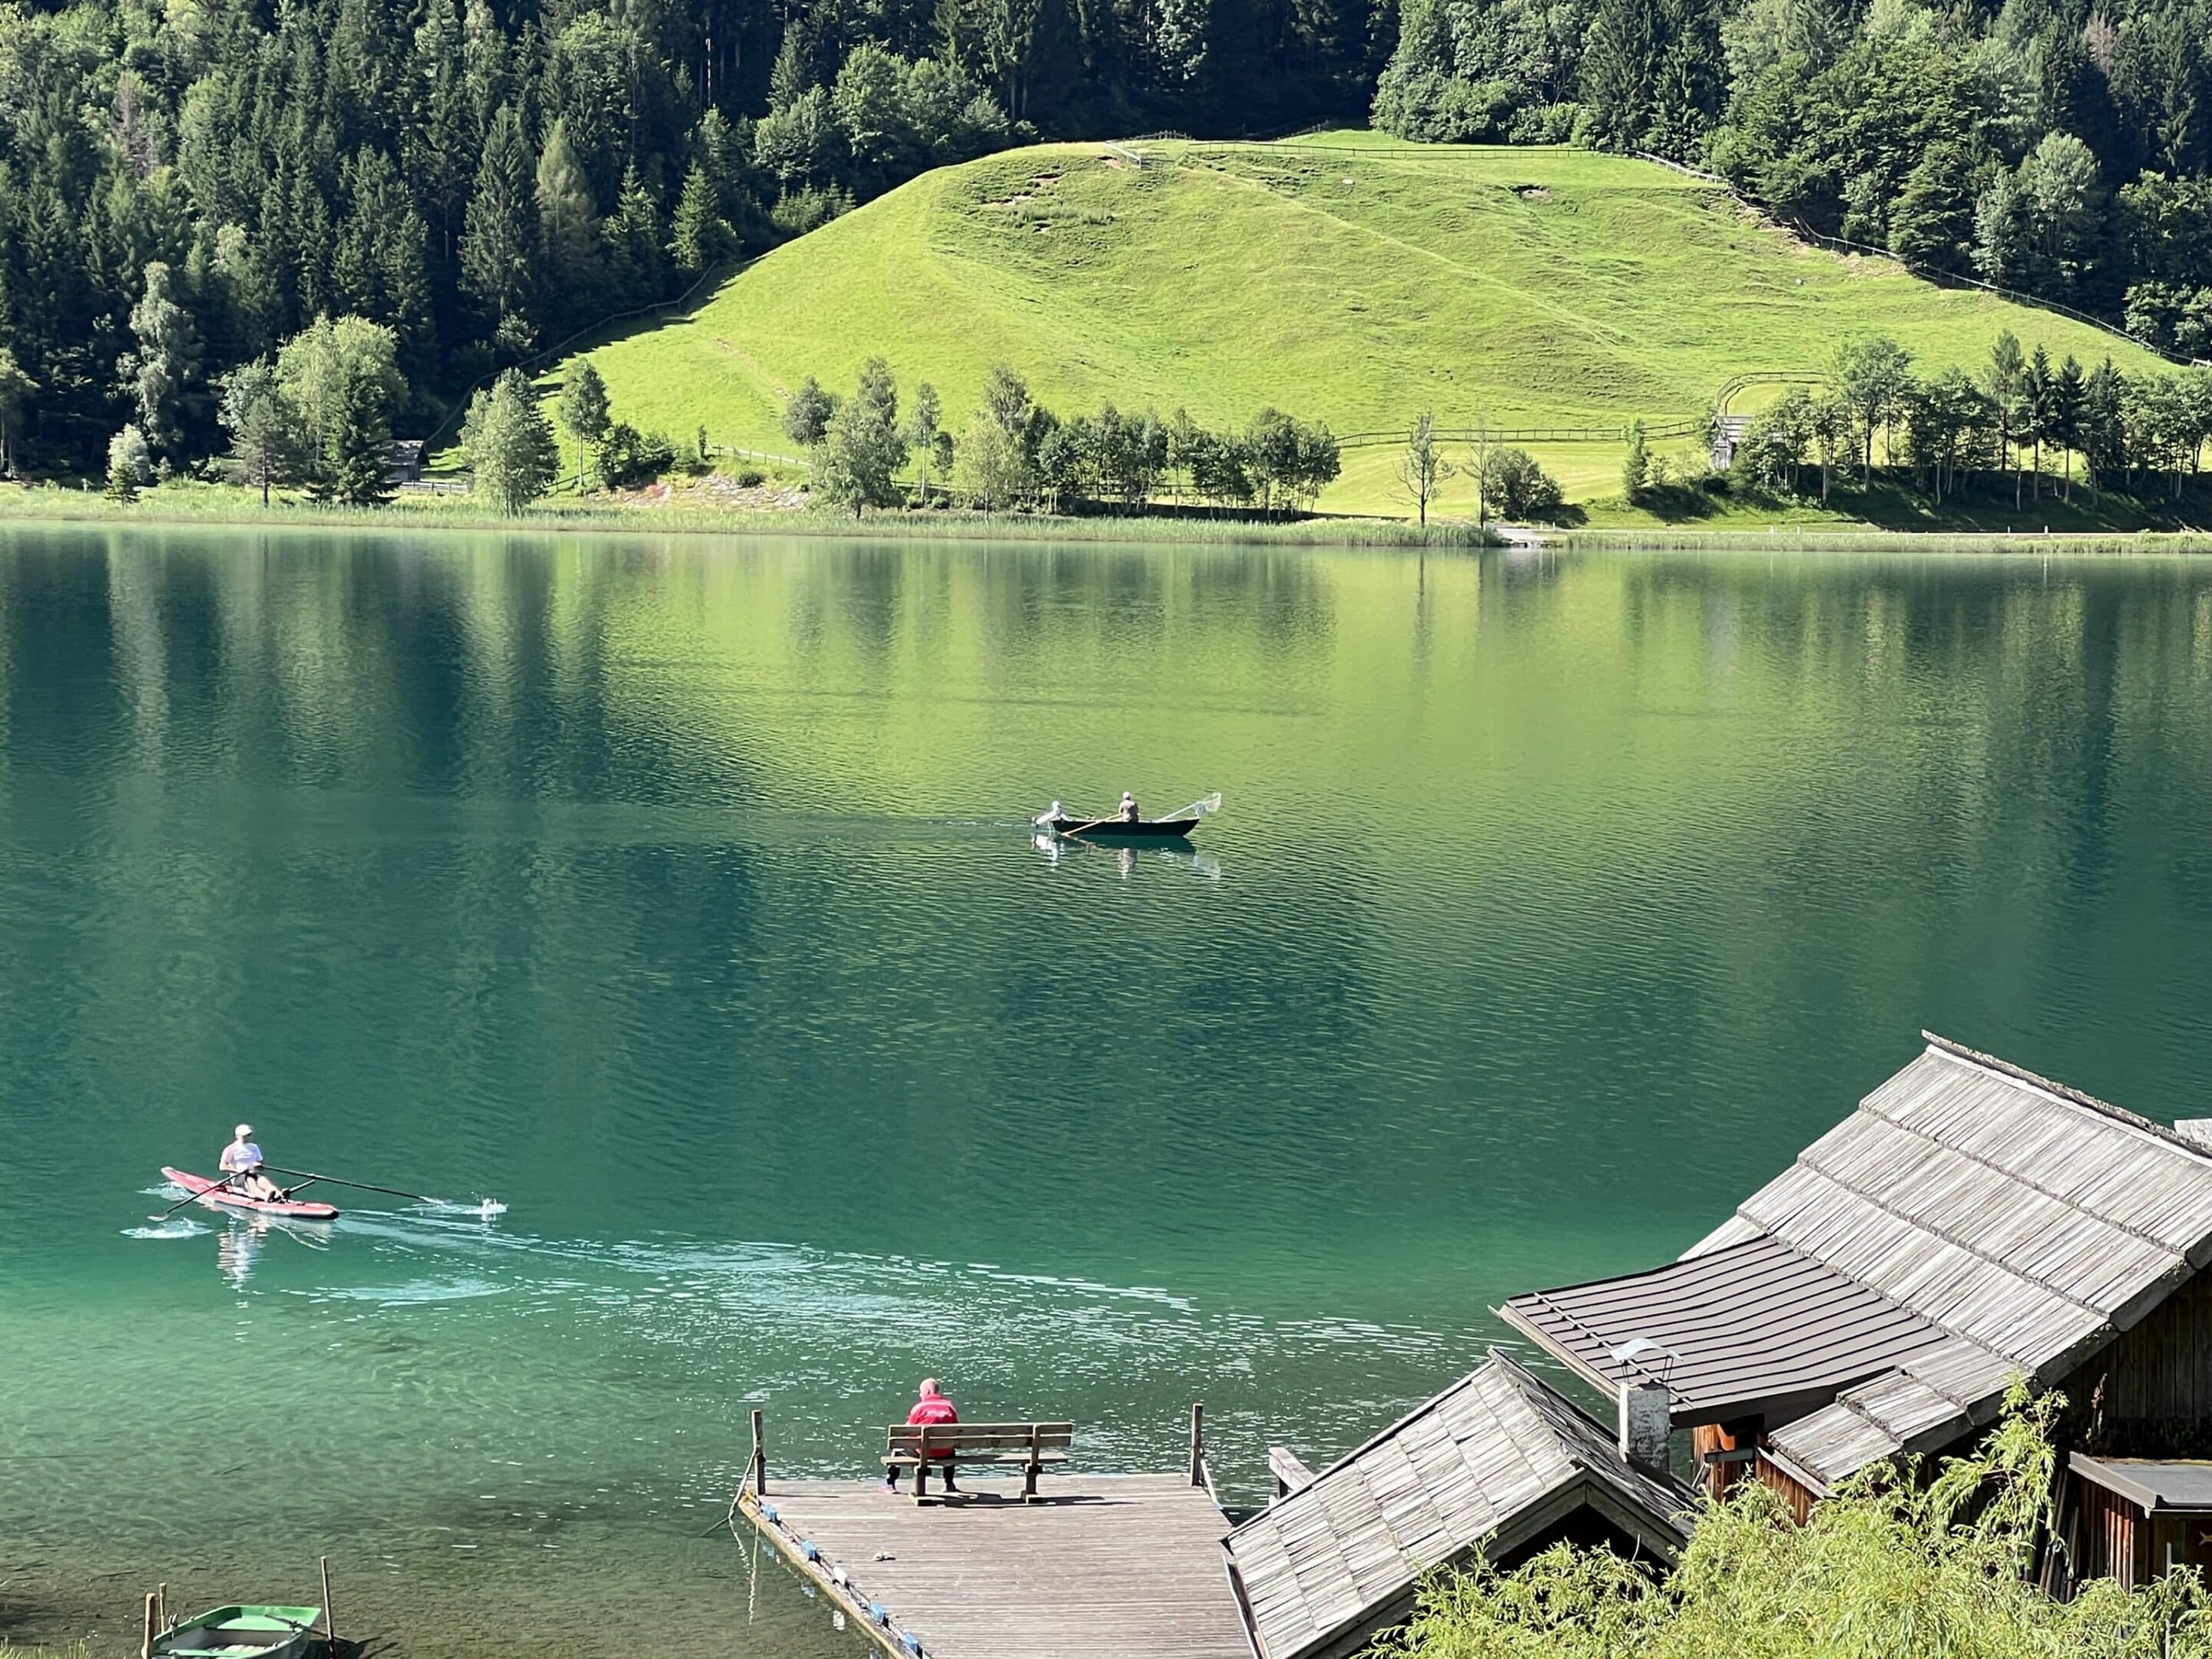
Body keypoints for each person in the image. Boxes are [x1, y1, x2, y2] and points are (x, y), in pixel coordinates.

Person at [882, 1378, 960, 1494]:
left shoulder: (919, 1408)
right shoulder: (949, 1407)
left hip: (922, 1453)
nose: (920, 1395)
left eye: (921, 1392)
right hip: (945, 1453)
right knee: (951, 1448)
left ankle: (890, 1484)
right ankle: (949, 1484)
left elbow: (907, 1431)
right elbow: (956, 1430)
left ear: (928, 1391)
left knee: (897, 1448)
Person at [219, 1124, 284, 1202]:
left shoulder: (254, 1147)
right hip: (239, 1176)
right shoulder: (231, 1149)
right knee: (250, 1180)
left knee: (264, 1181)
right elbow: (222, 1167)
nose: (248, 1137)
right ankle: (266, 1197)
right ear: (237, 1136)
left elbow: (261, 1163)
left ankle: (279, 1194)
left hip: (253, 1173)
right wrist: (239, 1171)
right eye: (245, 1135)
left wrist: (259, 1165)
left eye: (249, 1135)